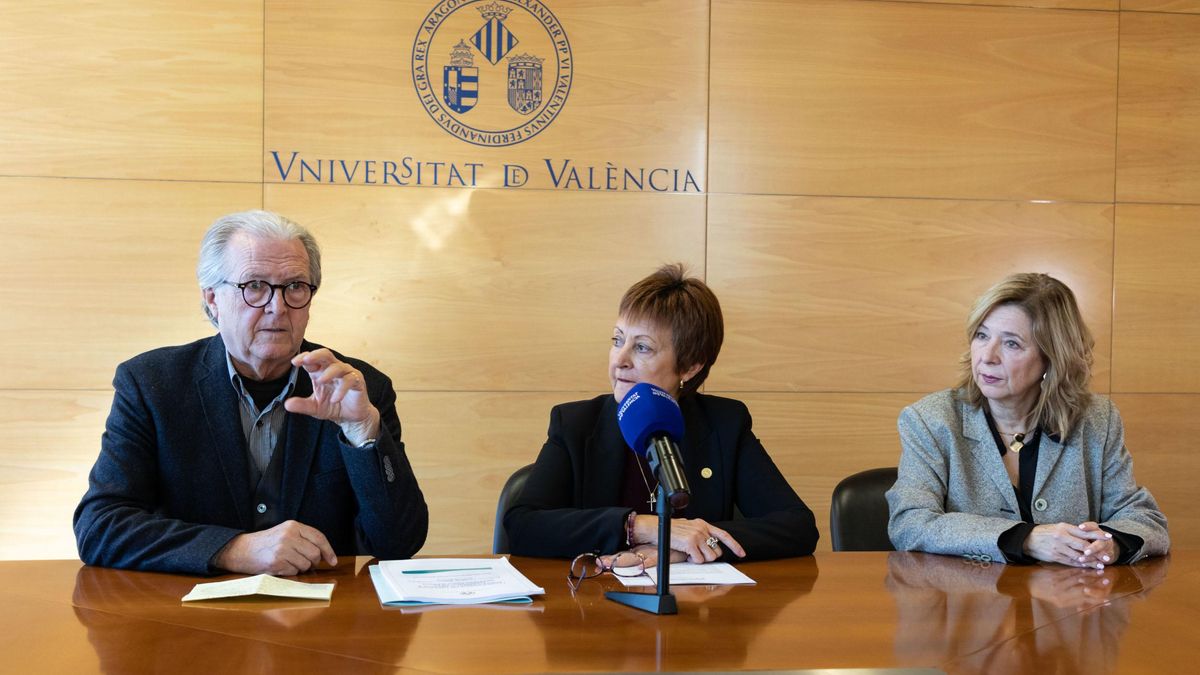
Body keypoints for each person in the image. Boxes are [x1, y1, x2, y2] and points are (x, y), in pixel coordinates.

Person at [74, 210, 428, 575]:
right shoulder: (152, 384)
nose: (277, 307)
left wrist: (362, 433)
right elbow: (101, 527)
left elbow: (399, 543)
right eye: (255, 286)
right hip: (185, 616)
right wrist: (232, 550)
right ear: (213, 299)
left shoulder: (355, 388)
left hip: (322, 618)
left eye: (294, 287)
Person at [504, 263, 818, 566]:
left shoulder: (725, 424)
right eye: (617, 340)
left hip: (697, 610)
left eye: (642, 348)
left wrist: (684, 549)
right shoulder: (576, 423)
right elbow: (522, 526)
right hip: (595, 604)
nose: (620, 359)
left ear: (690, 365)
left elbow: (796, 526)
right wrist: (643, 527)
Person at [887, 273, 1168, 567]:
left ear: (1051, 358)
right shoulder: (930, 420)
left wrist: (1110, 544)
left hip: (1069, 604)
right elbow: (910, 523)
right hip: (971, 604)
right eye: (982, 336)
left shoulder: (1096, 420)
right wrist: (1025, 538)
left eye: (1011, 344)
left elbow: (1145, 520)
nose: (987, 356)